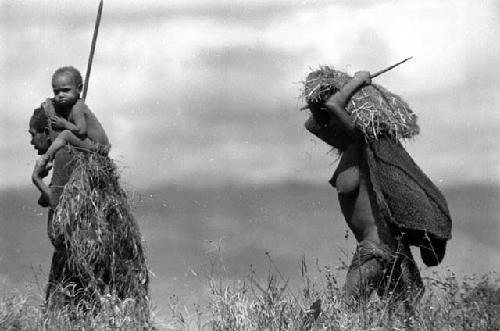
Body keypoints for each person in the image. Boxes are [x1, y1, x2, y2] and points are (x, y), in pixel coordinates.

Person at [304, 71, 452, 304]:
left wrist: (357, 81)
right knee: (394, 321)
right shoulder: (351, 149)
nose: (330, 125)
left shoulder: (363, 143)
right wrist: (316, 99)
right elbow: (312, 124)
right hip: (378, 250)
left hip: (377, 250)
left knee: (346, 313)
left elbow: (334, 105)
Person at [37, 66, 109, 167]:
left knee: (66, 134)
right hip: (96, 146)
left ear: (79, 89)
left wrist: (64, 124)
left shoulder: (77, 107)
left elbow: (81, 130)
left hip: (98, 148)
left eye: (66, 90)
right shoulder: (73, 106)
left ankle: (46, 158)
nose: (60, 95)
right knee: (66, 136)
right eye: (56, 92)